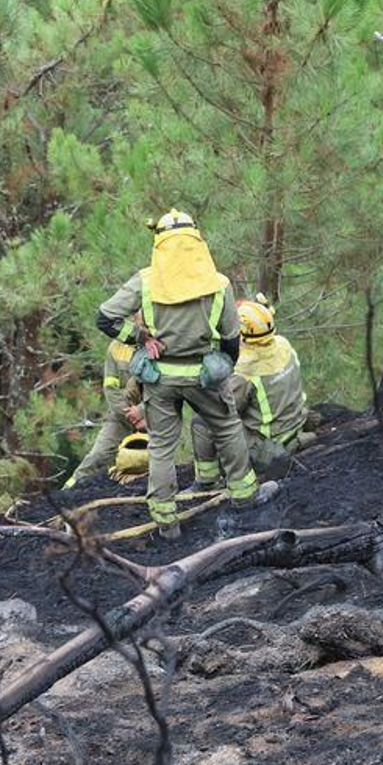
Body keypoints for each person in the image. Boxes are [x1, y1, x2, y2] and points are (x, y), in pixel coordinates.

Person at [95, 209, 263, 541]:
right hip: (205, 375)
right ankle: (245, 498)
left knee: (161, 446)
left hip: (160, 380)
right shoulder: (219, 284)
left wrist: (142, 338)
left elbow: (105, 318)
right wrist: (222, 370)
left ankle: (166, 521)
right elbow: (231, 338)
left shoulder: (145, 280)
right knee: (227, 428)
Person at [189, 294, 310, 486]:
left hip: (268, 445)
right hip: (294, 427)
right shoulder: (283, 345)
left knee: (202, 421)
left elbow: (220, 409)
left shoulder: (246, 372)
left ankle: (206, 481)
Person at [63, 338, 146, 488]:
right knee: (98, 455)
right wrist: (130, 414)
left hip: (159, 412)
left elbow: (167, 389)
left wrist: (143, 412)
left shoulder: (161, 342)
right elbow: (110, 390)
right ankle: (66, 492)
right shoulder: (116, 347)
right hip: (123, 414)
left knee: (155, 458)